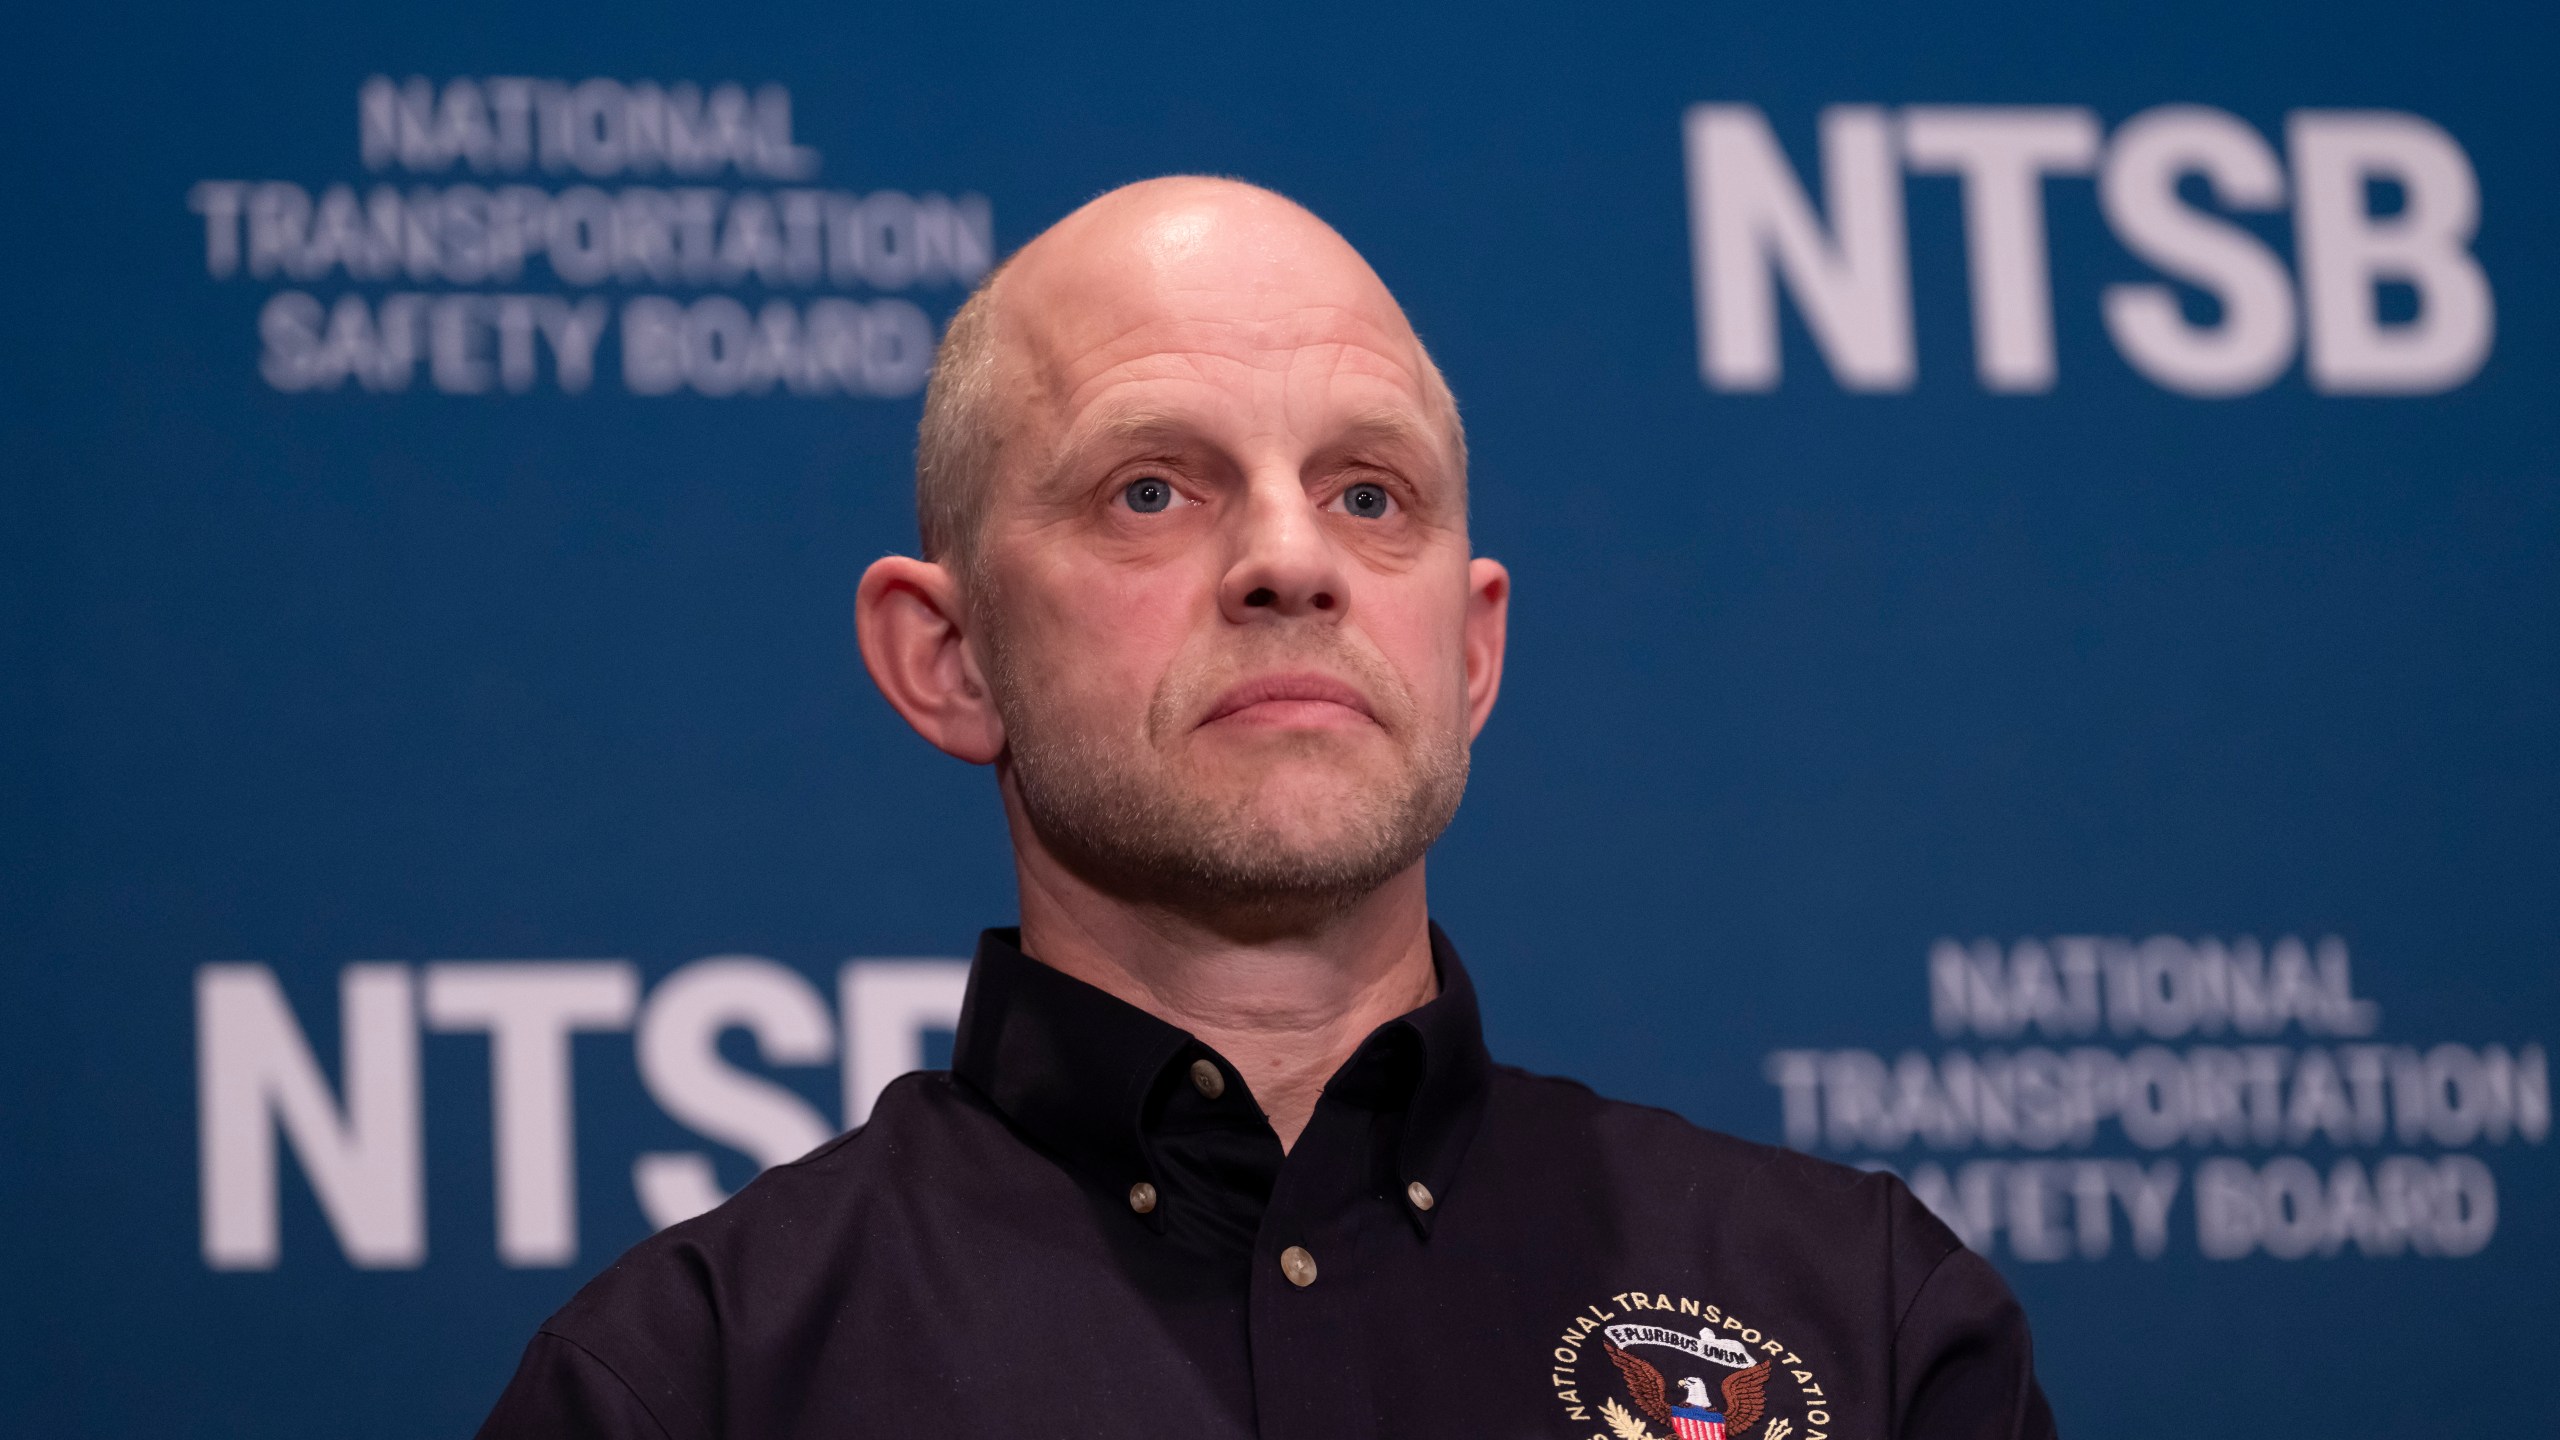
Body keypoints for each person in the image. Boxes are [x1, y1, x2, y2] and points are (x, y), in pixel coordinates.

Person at [476, 176, 2057, 1440]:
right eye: (1150, 489)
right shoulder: (693, 1388)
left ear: (1473, 645)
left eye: (1370, 495)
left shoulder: (1867, 1323)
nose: (1293, 561)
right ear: (949, 658)